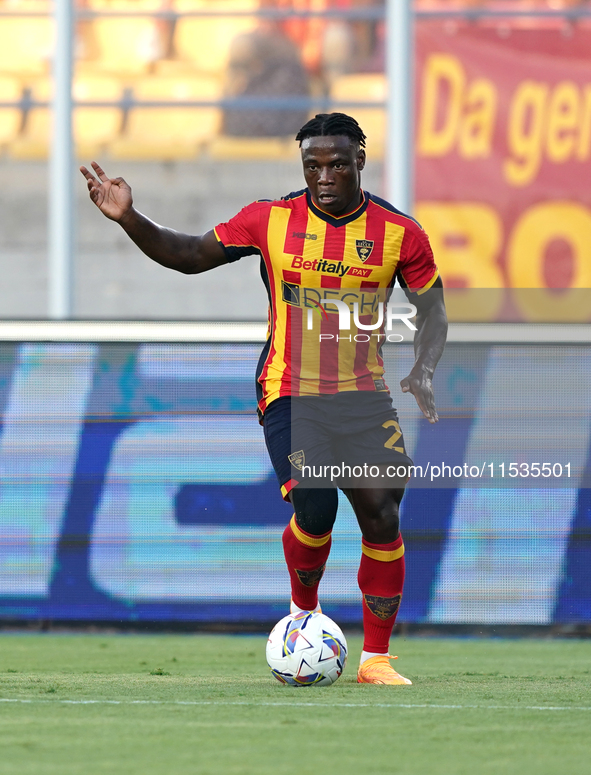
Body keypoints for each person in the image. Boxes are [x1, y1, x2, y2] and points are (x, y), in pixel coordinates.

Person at [80, 112, 448, 685]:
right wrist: (130, 218)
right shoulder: (269, 220)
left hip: (365, 397)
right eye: (312, 165)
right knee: (317, 504)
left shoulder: (401, 234)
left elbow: (433, 310)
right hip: (289, 390)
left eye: (336, 164)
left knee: (381, 513)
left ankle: (375, 659)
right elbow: (187, 254)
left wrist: (424, 368)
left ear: (359, 162)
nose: (323, 175)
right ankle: (305, 615)